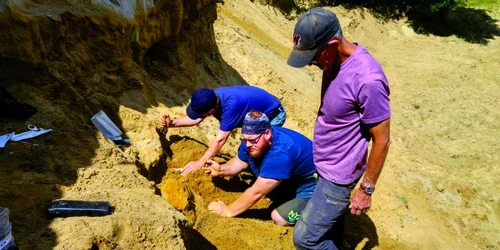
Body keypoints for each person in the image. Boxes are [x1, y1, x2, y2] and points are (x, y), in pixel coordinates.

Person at [287, 8, 391, 249]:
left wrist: (366, 189)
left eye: (313, 57)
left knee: (305, 239)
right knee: (330, 228)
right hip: (326, 162)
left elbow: (382, 140)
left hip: (339, 174)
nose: (312, 64)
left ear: (332, 44)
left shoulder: (368, 80)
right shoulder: (332, 60)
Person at [204, 111, 316, 226]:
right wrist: (221, 170)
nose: (247, 145)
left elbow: (256, 192)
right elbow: (240, 162)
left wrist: (227, 211)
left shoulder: (280, 154)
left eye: (252, 140)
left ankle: (317, 216)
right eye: (245, 140)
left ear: (267, 133)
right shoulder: (253, 138)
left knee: (279, 218)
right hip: (293, 180)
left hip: (313, 190)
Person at [159, 85, 286, 176]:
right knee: (247, 147)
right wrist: (172, 123)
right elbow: (196, 118)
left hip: (273, 114)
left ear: (212, 111)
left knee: (254, 147)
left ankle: (261, 175)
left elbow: (220, 140)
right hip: (257, 105)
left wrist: (200, 163)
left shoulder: (231, 108)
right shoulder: (212, 98)